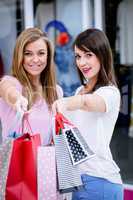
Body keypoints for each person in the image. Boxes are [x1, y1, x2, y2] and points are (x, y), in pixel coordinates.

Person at [52, 28, 123, 200]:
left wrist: (66, 103)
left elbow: (89, 103)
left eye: (88, 55)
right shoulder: (79, 91)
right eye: (78, 56)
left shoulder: (109, 93)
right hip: (78, 180)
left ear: (102, 54)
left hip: (100, 181)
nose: (82, 62)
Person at [0, 27, 63, 144]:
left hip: (46, 160)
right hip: (17, 161)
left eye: (41, 53)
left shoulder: (56, 91)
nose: (35, 59)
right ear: (20, 57)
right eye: (28, 54)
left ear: (48, 56)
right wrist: (18, 100)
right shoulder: (11, 82)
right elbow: (7, 89)